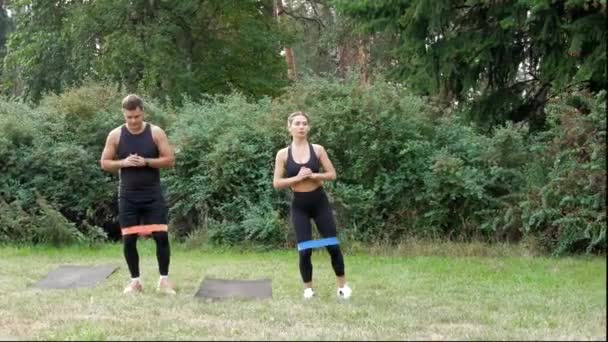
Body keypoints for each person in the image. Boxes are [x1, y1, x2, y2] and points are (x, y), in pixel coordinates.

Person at [100, 94, 176, 294]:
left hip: (152, 193)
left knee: (161, 236)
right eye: (129, 117)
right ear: (124, 115)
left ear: (142, 112)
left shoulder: (156, 132)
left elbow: (169, 160)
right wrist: (123, 163)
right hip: (128, 195)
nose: (133, 121)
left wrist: (147, 161)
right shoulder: (115, 135)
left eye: (137, 116)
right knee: (129, 239)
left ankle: (164, 281)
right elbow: (105, 163)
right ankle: (135, 282)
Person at [273, 111, 352, 299]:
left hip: (319, 202)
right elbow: (277, 183)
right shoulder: (283, 154)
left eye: (304, 123)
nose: (301, 127)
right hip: (299, 205)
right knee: (305, 248)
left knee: (332, 245)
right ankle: (308, 289)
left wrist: (315, 175)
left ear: (308, 127)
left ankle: (342, 287)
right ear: (289, 127)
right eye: (297, 123)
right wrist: (297, 178)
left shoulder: (317, 150)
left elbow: (332, 174)